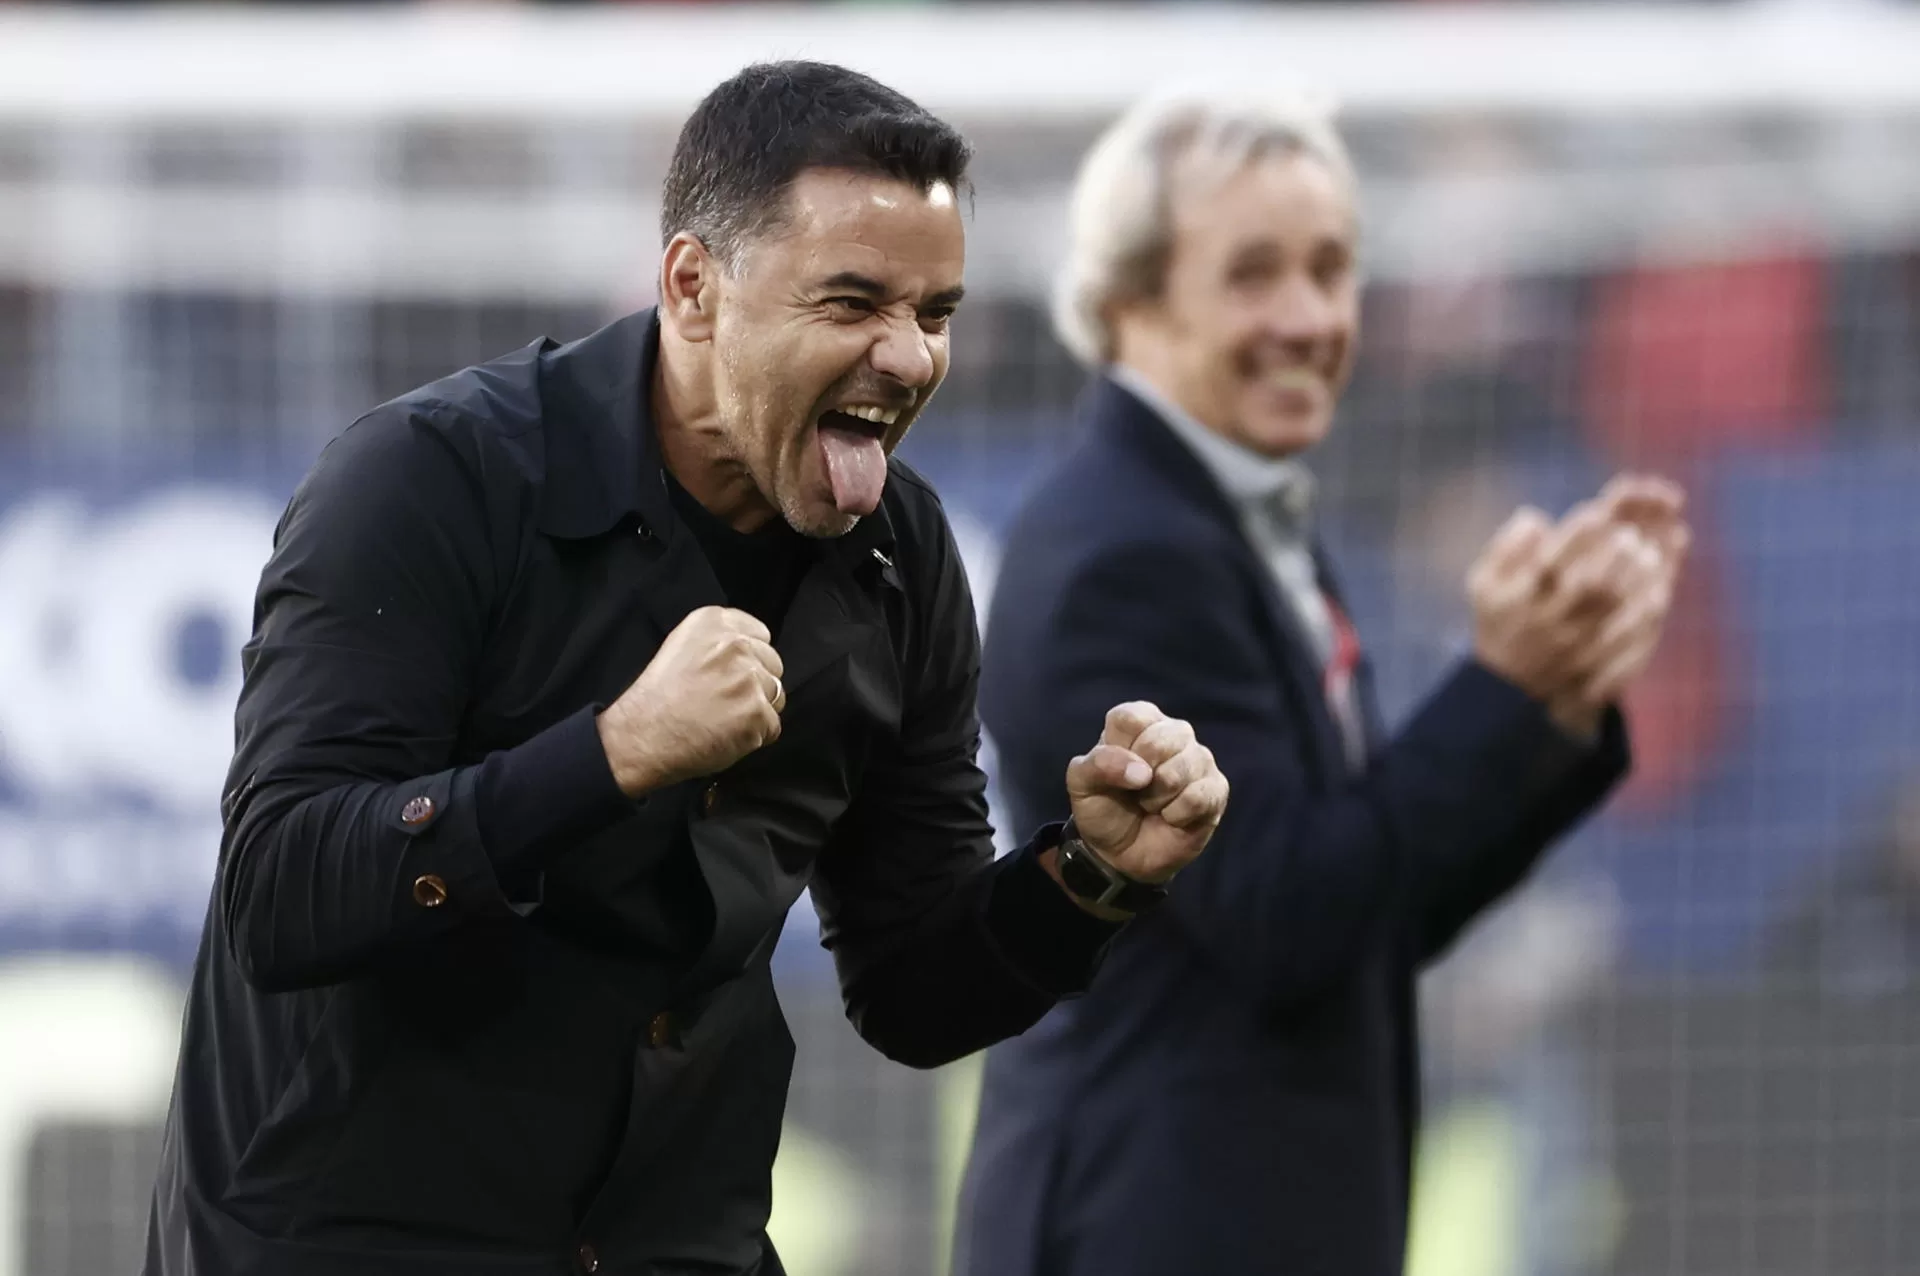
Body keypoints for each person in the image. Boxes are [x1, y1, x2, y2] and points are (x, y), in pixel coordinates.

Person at [143, 62, 1230, 1276]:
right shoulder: (430, 481)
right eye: (854, 301)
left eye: (935, 314)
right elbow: (282, 893)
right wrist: (608, 756)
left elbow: (914, 989)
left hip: (672, 1242)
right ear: (693, 287)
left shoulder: (903, 556)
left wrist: (1088, 878)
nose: (910, 358)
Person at [954, 87, 1689, 1276]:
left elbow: (1364, 904)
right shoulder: (1125, 557)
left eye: (1330, 269)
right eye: (1252, 273)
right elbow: (1285, 916)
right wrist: (1502, 686)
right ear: (1128, 304)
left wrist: (1552, 698)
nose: (1306, 315)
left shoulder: (1232, 524)